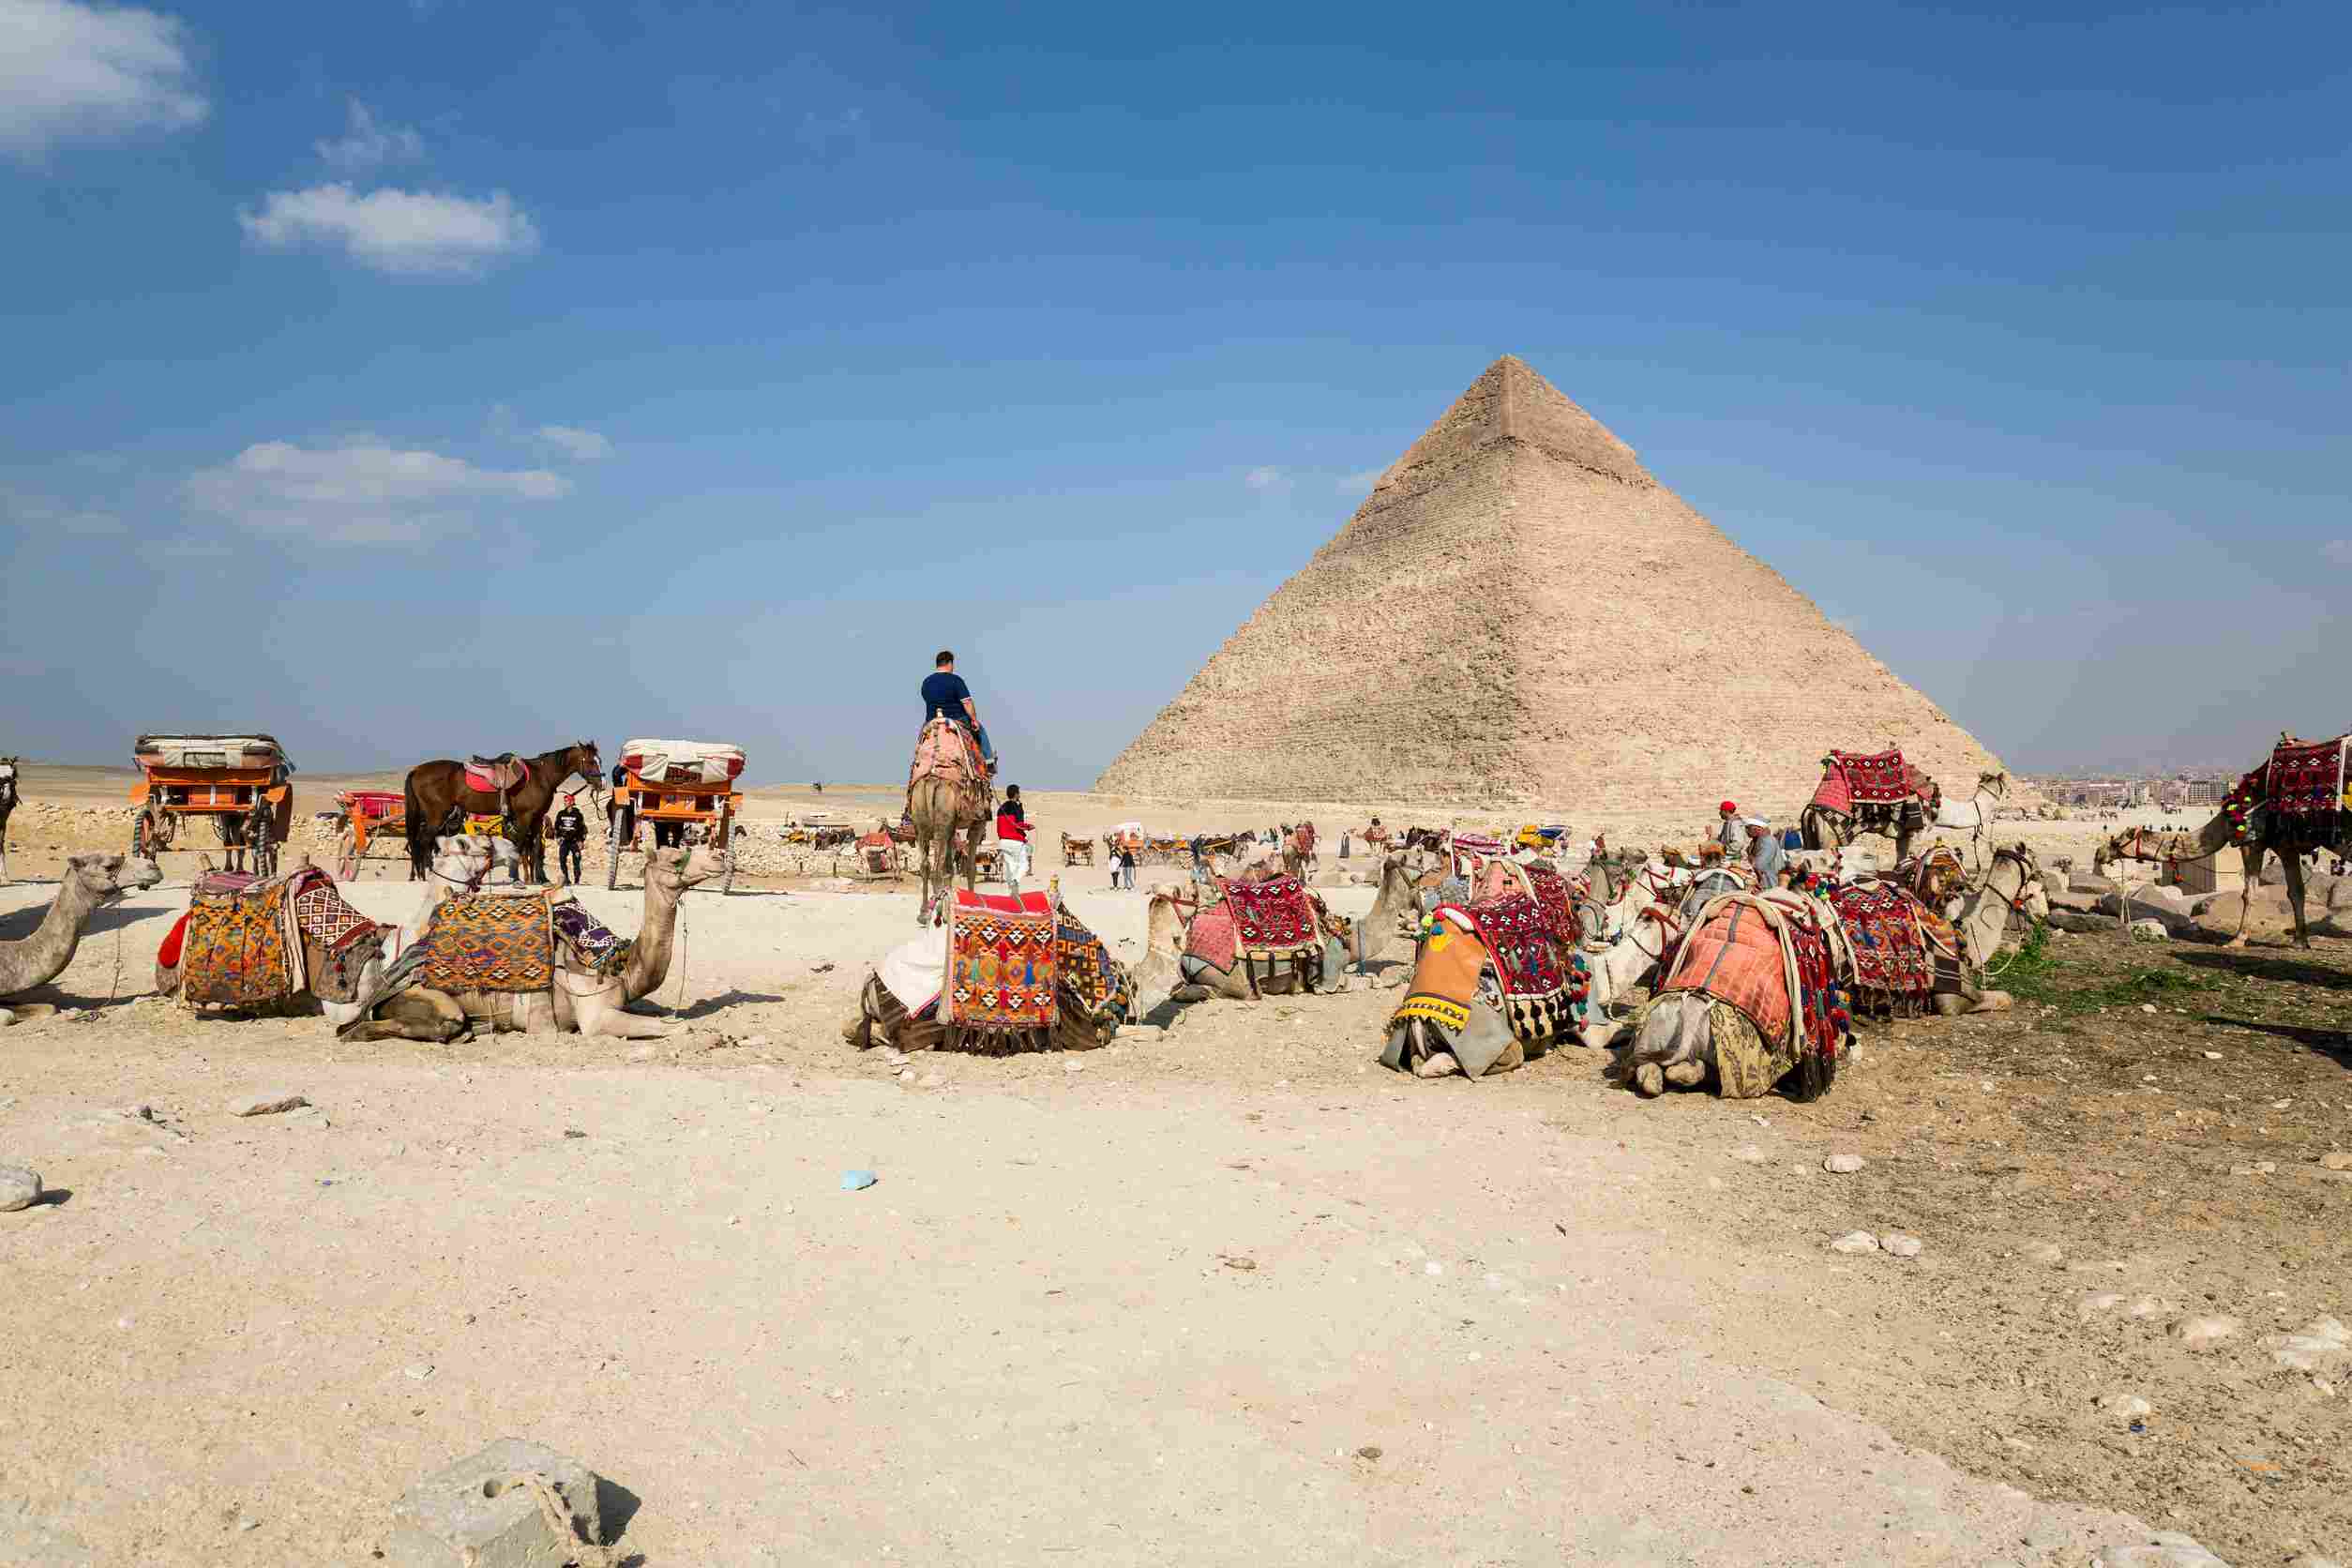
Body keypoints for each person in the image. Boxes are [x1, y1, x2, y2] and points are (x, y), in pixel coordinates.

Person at [920, 649, 995, 772]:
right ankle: (989, 762)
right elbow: (967, 703)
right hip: (956, 720)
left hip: (932, 720)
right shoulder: (956, 681)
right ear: (950, 663)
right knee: (980, 729)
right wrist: (974, 719)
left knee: (921, 738)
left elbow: (926, 699)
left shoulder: (926, 682)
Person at [995, 785, 1031, 899]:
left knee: (1010, 867)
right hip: (1015, 841)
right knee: (1024, 865)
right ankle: (1015, 883)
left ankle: (1012, 894)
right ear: (1016, 794)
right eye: (1018, 793)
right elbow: (1018, 824)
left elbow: (1000, 826)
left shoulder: (1001, 808)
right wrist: (1028, 827)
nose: (1019, 795)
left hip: (1003, 842)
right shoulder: (1016, 807)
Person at [550, 792, 588, 886]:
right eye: (565, 801)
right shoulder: (561, 814)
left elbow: (582, 828)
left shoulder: (578, 814)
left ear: (572, 802)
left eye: (567, 801)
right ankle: (566, 879)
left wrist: (581, 841)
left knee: (576, 861)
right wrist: (558, 837)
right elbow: (557, 826)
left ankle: (576, 880)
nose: (565, 802)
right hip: (564, 841)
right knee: (562, 860)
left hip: (575, 842)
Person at [1746, 817, 1787, 887]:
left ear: (1757, 829)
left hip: (1770, 882)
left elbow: (1759, 865)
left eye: (1748, 828)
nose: (1746, 831)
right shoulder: (1758, 840)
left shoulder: (1767, 841)